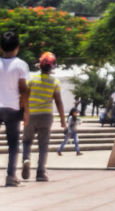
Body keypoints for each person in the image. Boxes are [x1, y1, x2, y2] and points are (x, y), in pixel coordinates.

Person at [22, 52, 65, 183]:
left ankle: (26, 159)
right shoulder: (55, 82)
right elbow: (58, 102)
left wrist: (24, 112)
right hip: (46, 116)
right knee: (43, 145)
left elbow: (24, 97)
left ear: (39, 65)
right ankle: (40, 173)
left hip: (31, 114)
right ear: (52, 67)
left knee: (26, 141)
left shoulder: (31, 79)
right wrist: (63, 120)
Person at [1, 31, 30, 187]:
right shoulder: (21, 65)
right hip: (13, 108)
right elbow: (23, 90)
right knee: (13, 144)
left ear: (1, 48)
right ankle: (11, 176)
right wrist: (26, 111)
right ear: (17, 47)